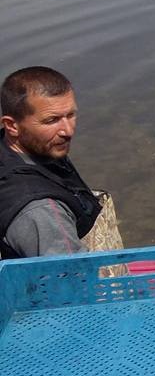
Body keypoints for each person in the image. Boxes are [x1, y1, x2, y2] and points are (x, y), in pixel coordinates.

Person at [0, 66, 103, 258]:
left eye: (71, 115)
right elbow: (72, 281)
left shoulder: (32, 145)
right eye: (51, 120)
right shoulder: (41, 211)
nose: (67, 131)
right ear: (12, 126)